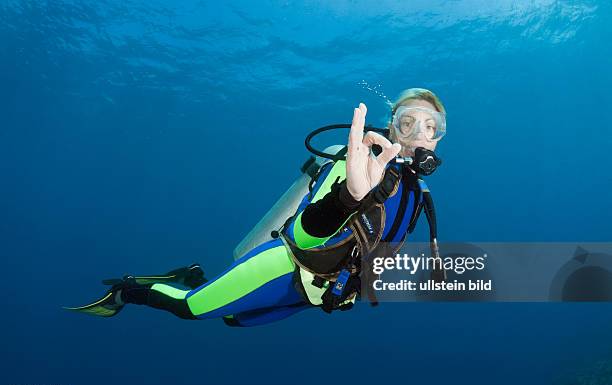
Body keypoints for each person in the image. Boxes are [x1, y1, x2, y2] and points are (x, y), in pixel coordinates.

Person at [65, 88, 447, 326]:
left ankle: (191, 274)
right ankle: (126, 292)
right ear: (392, 127)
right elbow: (303, 233)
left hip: (318, 293)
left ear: (440, 135)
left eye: (430, 126)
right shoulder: (361, 163)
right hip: (285, 267)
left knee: (234, 318)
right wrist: (348, 195)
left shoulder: (418, 193)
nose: (418, 134)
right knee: (190, 310)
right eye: (407, 122)